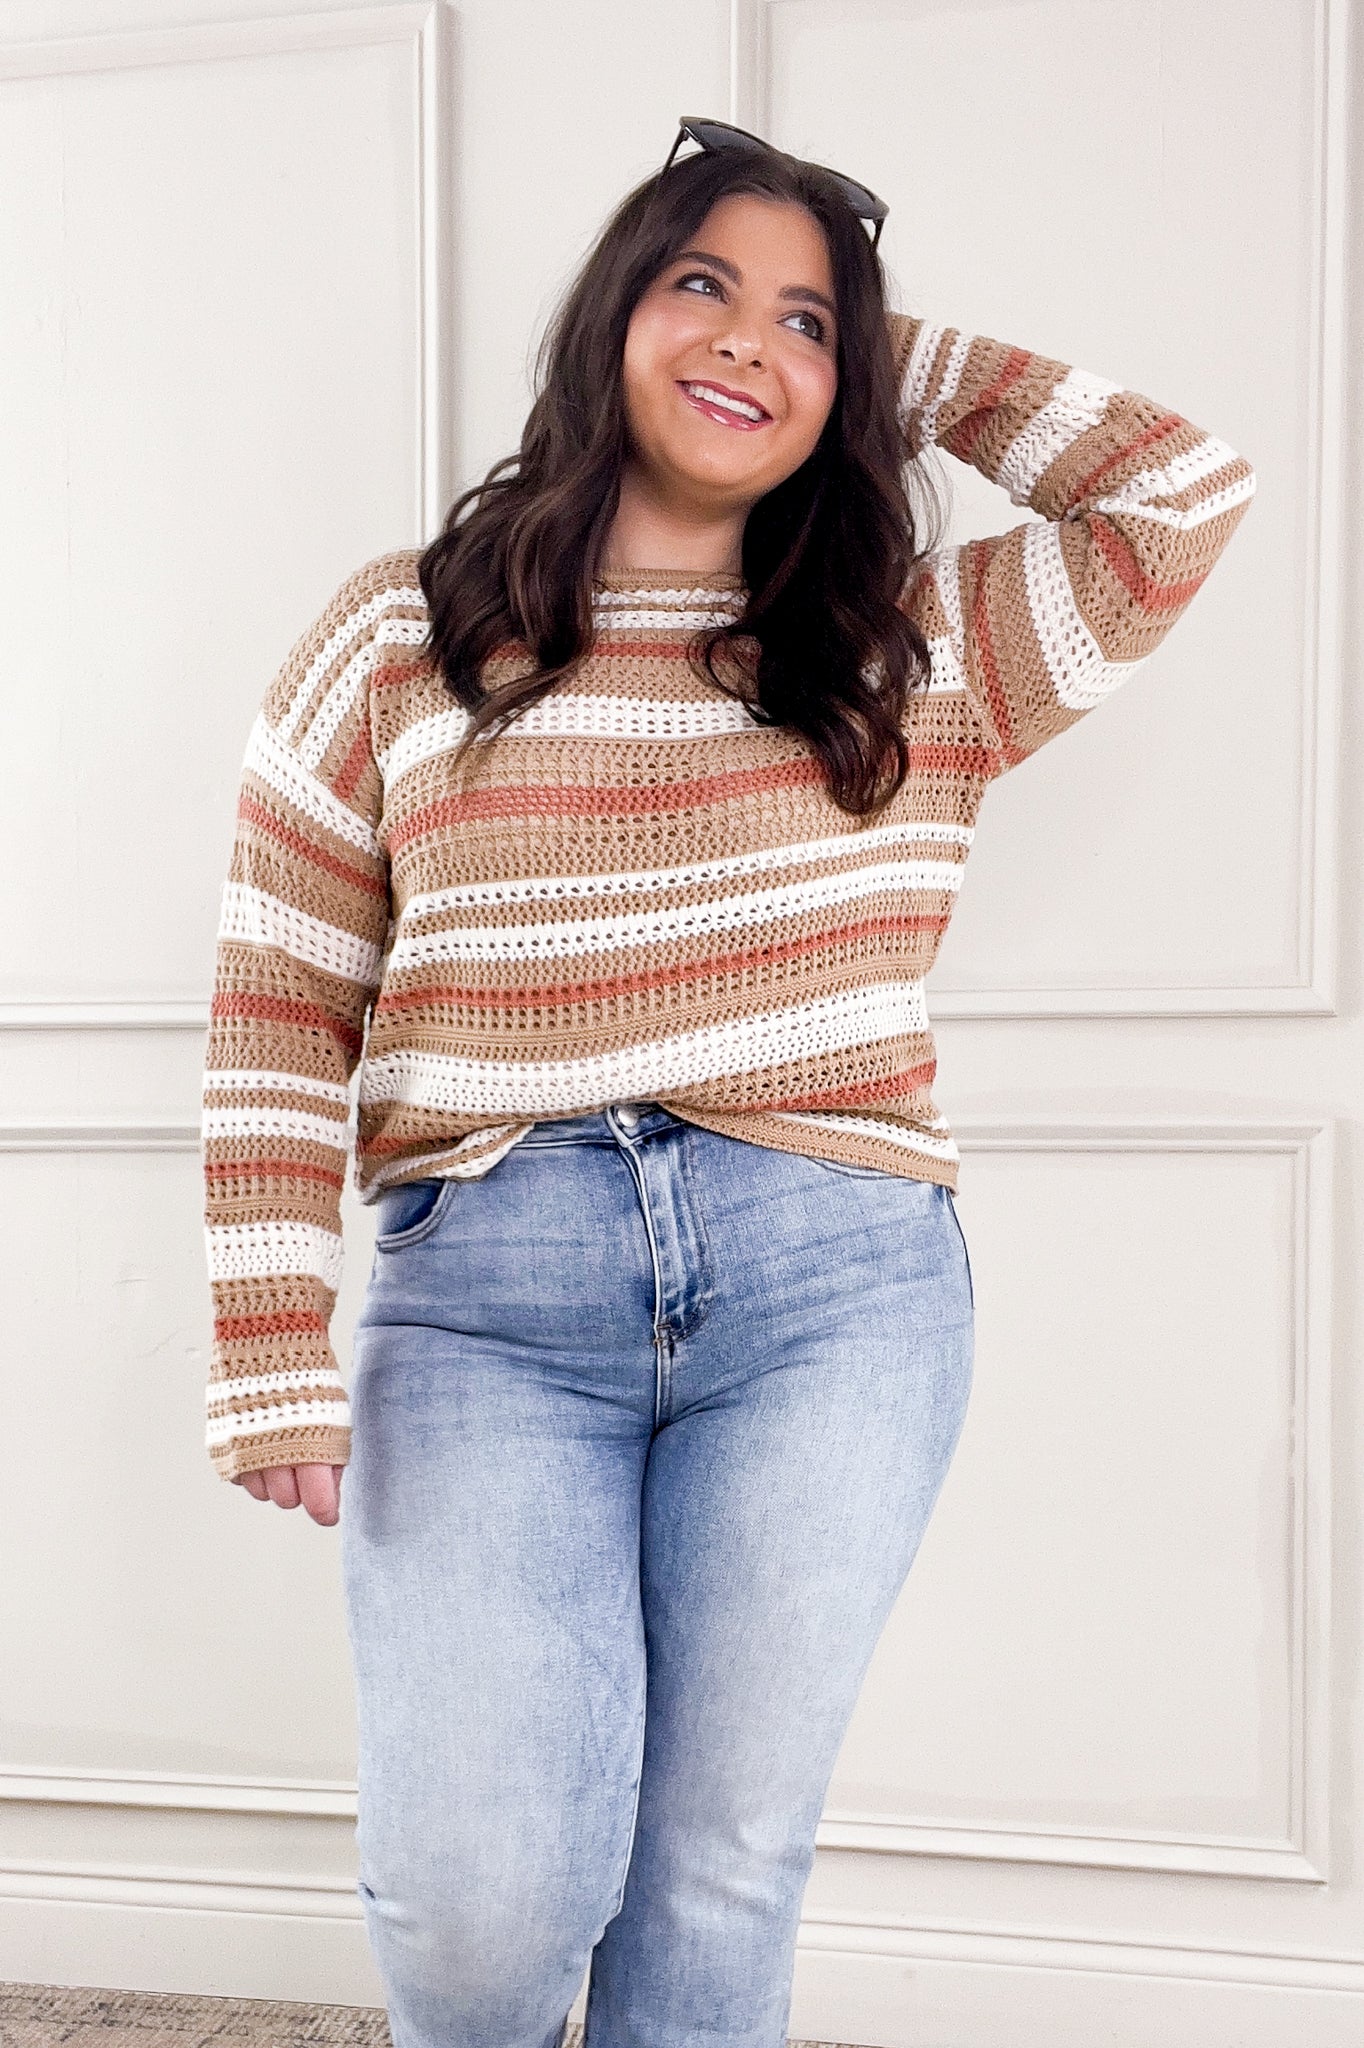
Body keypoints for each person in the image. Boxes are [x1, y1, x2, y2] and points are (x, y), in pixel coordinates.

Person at [200, 115, 1255, 2048]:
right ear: (615, 309)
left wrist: (877, 343)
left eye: (803, 321)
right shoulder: (400, 630)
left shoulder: (913, 645)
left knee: (718, 1867)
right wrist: (268, 1330)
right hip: (489, 1293)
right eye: (701, 287)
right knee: (480, 1904)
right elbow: (280, 992)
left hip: (835, 1285)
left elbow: (1180, 491)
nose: (750, 341)